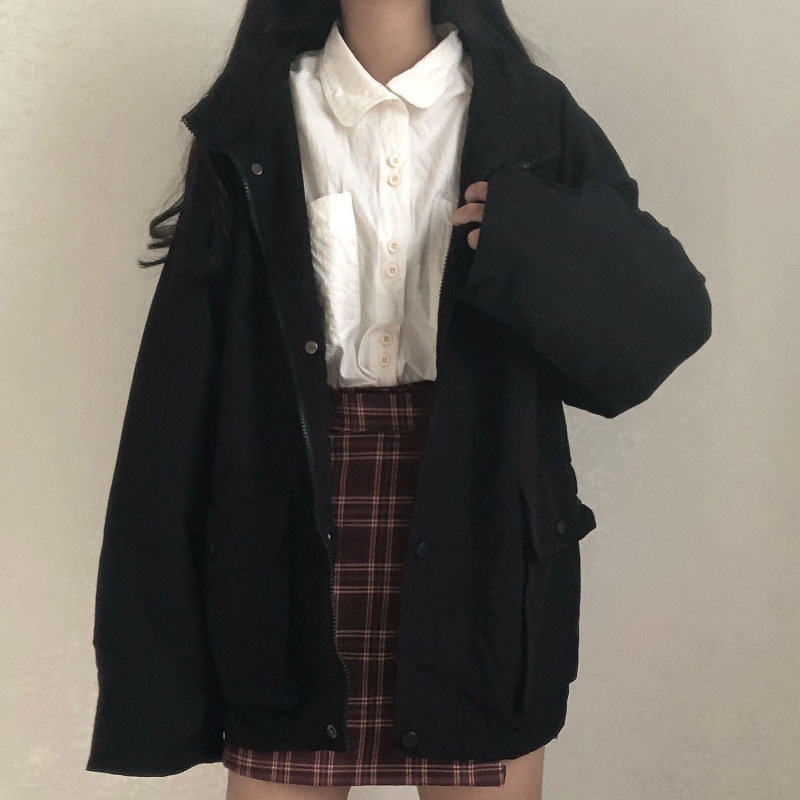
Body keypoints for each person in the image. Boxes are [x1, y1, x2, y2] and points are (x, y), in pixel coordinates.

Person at [86, 1, 713, 798]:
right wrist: (150, 658)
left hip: (482, 528)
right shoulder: (252, 121)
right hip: (288, 539)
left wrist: (529, 241)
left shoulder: (531, 114)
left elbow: (658, 328)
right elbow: (175, 399)